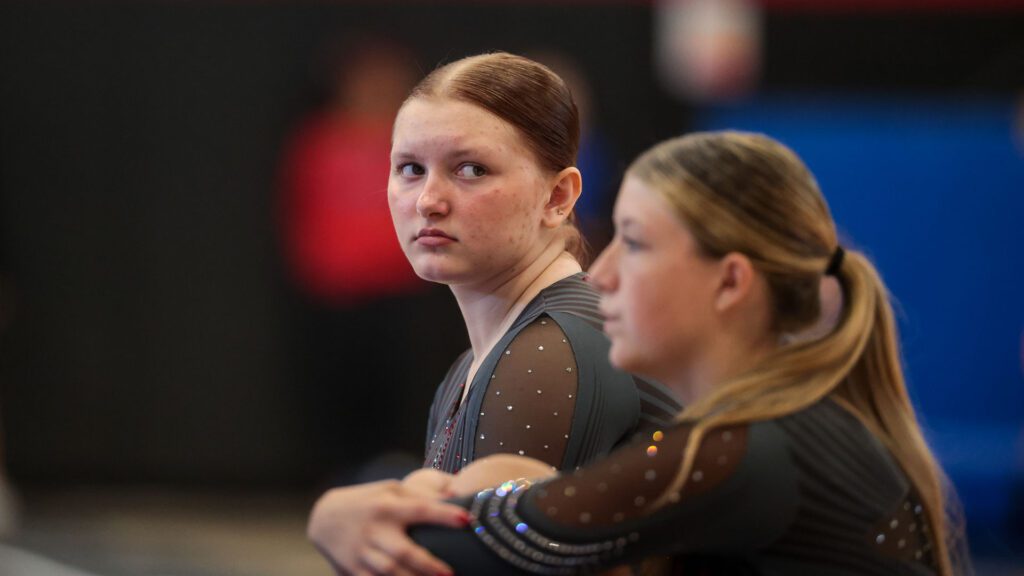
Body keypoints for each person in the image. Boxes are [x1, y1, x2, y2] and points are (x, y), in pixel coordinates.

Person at [309, 131, 971, 576]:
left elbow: (451, 549)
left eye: (637, 243)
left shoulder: (746, 446)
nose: (600, 274)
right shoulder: (787, 429)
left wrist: (349, 507)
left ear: (731, 281)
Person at [386, 52, 680, 475]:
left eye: (471, 169)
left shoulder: (546, 354)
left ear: (558, 197)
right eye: (410, 168)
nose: (428, 201)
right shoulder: (479, 361)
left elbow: (475, 540)